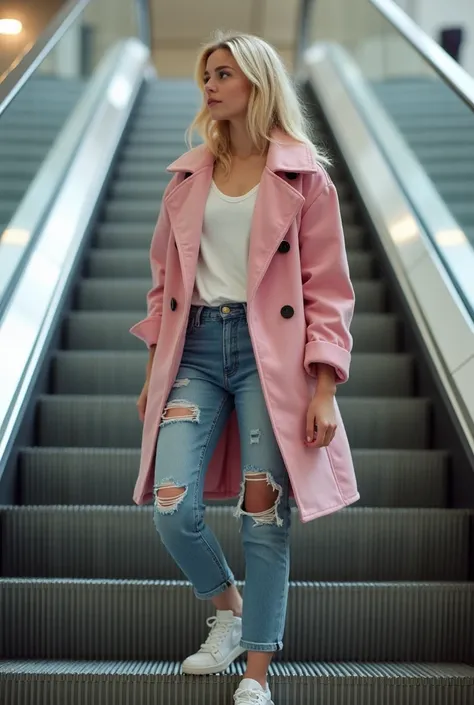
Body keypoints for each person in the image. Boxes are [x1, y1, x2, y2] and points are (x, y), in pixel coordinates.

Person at [130, 31, 359, 705]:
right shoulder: (187, 175)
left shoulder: (303, 176)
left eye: (223, 73)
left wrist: (324, 388)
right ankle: (226, 606)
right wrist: (152, 371)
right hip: (195, 349)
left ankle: (257, 673)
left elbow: (329, 289)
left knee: (264, 511)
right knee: (172, 505)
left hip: (273, 361)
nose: (209, 84)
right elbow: (161, 281)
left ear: (256, 83)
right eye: (206, 73)